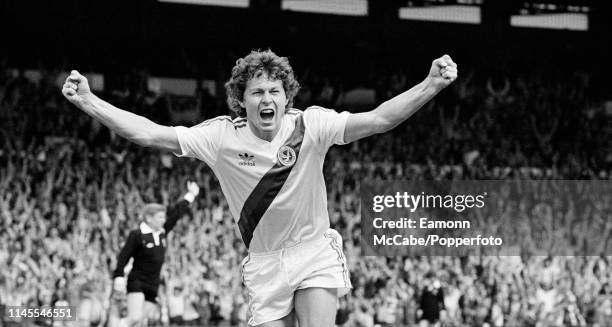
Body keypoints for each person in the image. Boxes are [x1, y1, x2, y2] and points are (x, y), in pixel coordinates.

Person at [62, 49, 457, 327]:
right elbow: (151, 134)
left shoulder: (311, 126)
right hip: (264, 263)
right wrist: (90, 102)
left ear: (287, 98)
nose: (267, 98)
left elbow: (377, 119)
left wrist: (430, 85)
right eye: (257, 92)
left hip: (312, 251)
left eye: (274, 91)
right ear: (241, 100)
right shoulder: (219, 137)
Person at [109, 181, 200, 327]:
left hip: (153, 283)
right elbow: (123, 256)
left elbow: (176, 213)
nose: (163, 220)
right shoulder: (137, 234)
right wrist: (118, 276)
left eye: (163, 217)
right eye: (160, 217)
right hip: (137, 280)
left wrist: (190, 196)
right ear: (149, 218)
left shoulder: (162, 232)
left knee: (141, 322)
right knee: (134, 318)